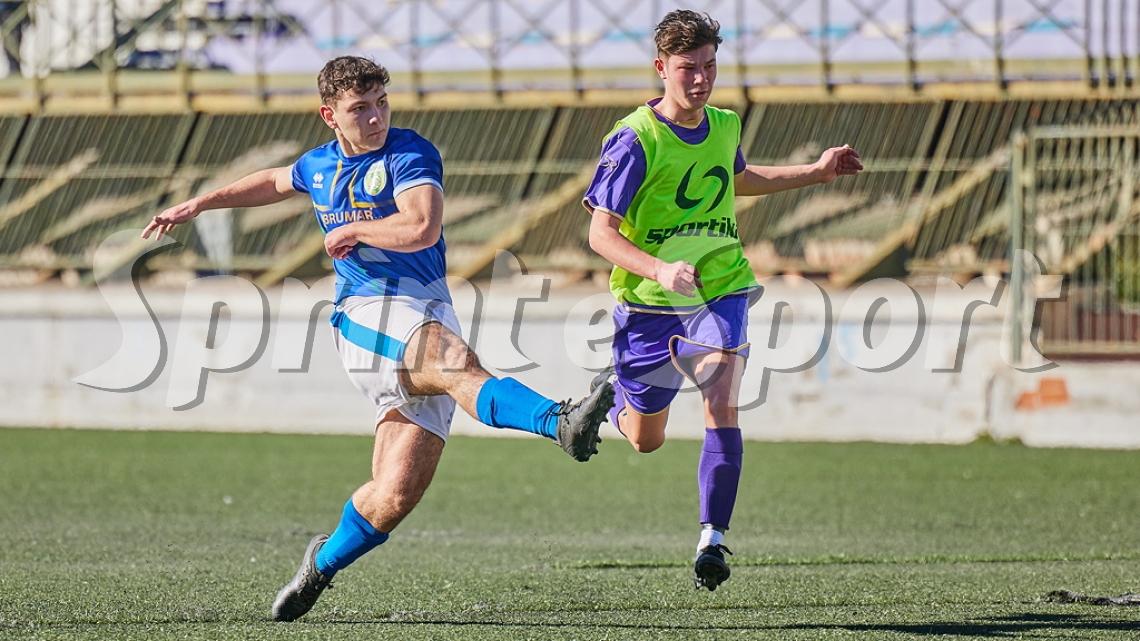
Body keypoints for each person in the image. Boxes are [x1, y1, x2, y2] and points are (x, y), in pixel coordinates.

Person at [142, 55, 614, 621]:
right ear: (330, 116)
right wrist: (200, 203)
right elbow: (273, 181)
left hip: (428, 307)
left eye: (381, 104)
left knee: (393, 496)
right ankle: (559, 422)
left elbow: (422, 226)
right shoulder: (319, 165)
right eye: (360, 108)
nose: (375, 118)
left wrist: (355, 227)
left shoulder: (409, 153)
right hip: (367, 311)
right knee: (454, 362)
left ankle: (320, 565)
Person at [582, 10, 862, 591]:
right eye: (689, 68)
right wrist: (660, 268)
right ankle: (614, 403)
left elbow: (736, 177)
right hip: (649, 302)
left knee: (720, 398)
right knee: (646, 440)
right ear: (661, 68)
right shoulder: (635, 139)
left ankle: (712, 539)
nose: (701, 79)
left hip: (722, 286)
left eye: (710, 66)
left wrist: (815, 173)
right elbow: (600, 234)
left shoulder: (726, 124)